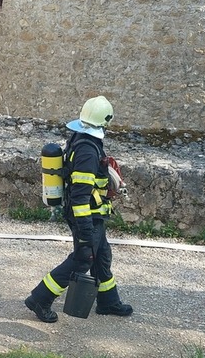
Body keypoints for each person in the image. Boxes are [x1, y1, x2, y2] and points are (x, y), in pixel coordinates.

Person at [25, 95, 133, 323]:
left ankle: (108, 301)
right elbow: (80, 196)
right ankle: (40, 299)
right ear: (105, 121)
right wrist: (85, 232)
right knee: (83, 259)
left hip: (93, 216)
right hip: (86, 217)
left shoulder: (81, 138)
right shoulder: (88, 152)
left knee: (101, 256)